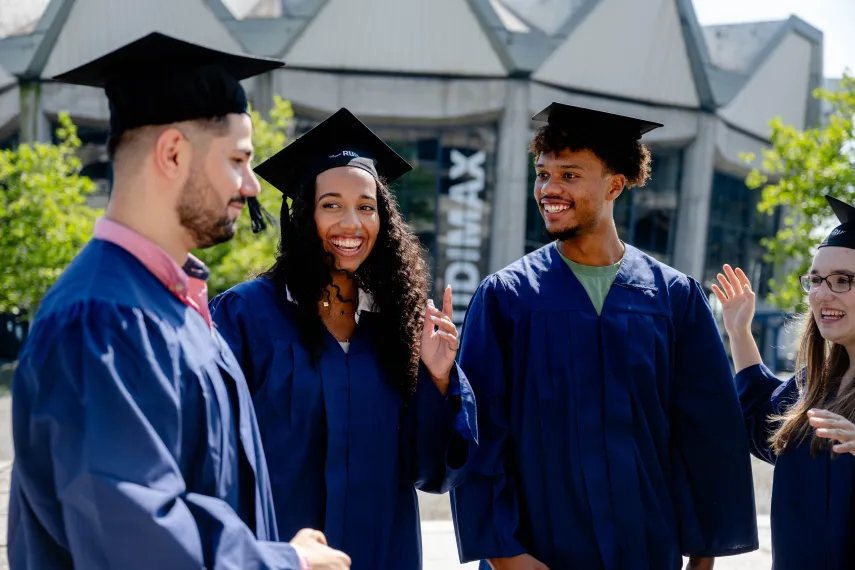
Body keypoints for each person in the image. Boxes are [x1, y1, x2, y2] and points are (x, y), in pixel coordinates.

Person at [8, 32, 350, 570]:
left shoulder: (177, 307)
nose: (252, 185)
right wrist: (285, 563)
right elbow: (134, 539)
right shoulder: (102, 320)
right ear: (172, 153)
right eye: (238, 159)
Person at [450, 103, 758, 570]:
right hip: (537, 551)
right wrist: (507, 556)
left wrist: (702, 556)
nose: (549, 189)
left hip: (647, 549)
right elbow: (480, 436)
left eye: (569, 175)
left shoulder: (673, 298)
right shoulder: (507, 298)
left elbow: (707, 435)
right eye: (542, 174)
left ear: (614, 184)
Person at [209, 107, 478, 570]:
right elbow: (210, 454)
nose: (351, 223)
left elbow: (432, 471)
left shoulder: (399, 325)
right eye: (331, 204)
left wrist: (437, 378)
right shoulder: (247, 316)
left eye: (366, 206)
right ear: (303, 216)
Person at [712, 195, 855, 570]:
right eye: (817, 279)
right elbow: (763, 427)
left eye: (843, 280)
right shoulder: (814, 386)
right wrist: (740, 333)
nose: (822, 293)